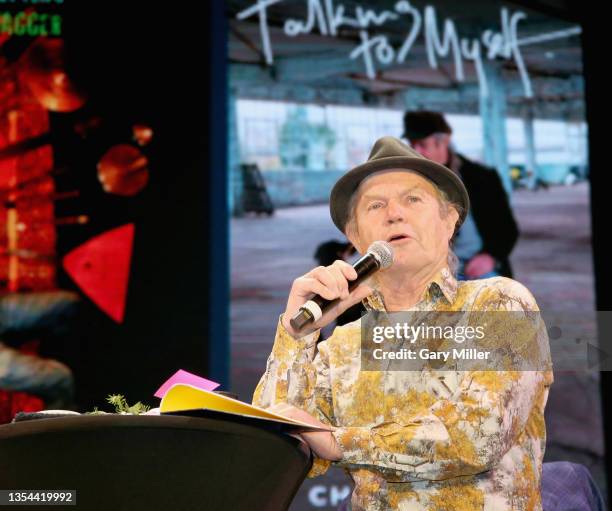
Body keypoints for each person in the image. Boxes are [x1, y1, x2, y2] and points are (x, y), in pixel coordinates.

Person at [252, 136, 553, 510]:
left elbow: (479, 434)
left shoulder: (500, 303)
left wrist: (339, 441)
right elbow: (271, 446)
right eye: (375, 205)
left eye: (413, 199)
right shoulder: (343, 348)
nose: (394, 213)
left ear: (450, 220)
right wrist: (296, 336)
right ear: (355, 237)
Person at [402, 111, 519, 279]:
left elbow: (507, 229)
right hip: (431, 273)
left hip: (476, 268)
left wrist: (491, 256)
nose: (416, 151)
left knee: (502, 300)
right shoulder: (406, 183)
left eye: (422, 144)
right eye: (412, 145)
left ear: (444, 141)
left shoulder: (482, 178)